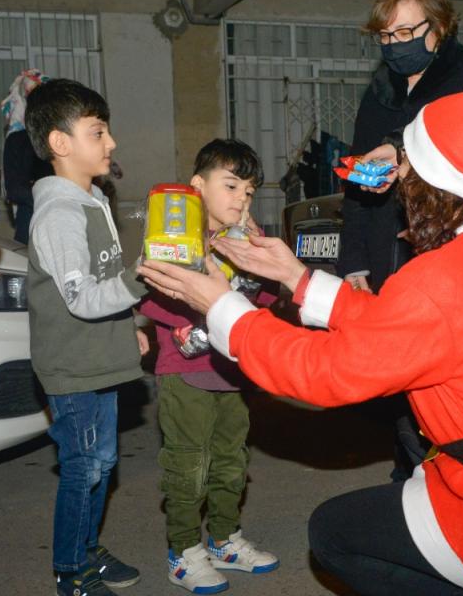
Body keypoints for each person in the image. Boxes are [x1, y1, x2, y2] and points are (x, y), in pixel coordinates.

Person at [139, 89, 463, 596]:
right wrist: (299, 277)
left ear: (438, 184)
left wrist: (221, 306)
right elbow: (405, 328)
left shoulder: (439, 278)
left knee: (333, 534)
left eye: (408, 169)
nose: (400, 184)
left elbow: (323, 373)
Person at [337, 0, 463, 481]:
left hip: (446, 255)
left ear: (439, 27)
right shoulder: (379, 92)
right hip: (383, 252)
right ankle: (410, 473)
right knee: (398, 375)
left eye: (405, 33)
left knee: (444, 376)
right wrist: (353, 260)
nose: (394, 46)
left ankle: (452, 478)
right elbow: (357, 181)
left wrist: (404, 155)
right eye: (385, 36)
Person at [140, 139, 281, 594]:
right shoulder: (176, 232)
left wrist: (258, 261)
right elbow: (152, 293)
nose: (241, 198)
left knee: (230, 461)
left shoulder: (238, 240)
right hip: (186, 374)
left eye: (249, 190)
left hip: (233, 371)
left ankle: (224, 539)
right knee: (189, 465)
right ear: (197, 186)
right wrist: (200, 311)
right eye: (231, 185)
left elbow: (264, 300)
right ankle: (183, 551)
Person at [24, 78, 146, 595]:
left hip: (101, 357)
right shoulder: (59, 214)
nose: (111, 142)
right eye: (98, 132)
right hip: (72, 366)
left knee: (103, 464)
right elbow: (82, 297)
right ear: (60, 143)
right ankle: (70, 570)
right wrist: (144, 276)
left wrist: (132, 330)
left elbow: (107, 276)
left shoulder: (93, 199)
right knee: (82, 469)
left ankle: (87, 550)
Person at [1, 68, 54, 244]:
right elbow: (14, 189)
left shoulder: (60, 136)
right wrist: (50, 197)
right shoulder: (17, 139)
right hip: (32, 225)